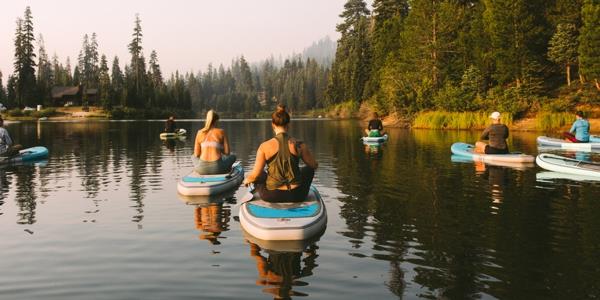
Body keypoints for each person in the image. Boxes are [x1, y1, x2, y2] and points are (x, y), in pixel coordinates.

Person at [243, 104, 318, 203]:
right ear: (288, 125)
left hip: (272, 196)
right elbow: (314, 165)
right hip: (296, 195)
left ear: (273, 125)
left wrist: (247, 179)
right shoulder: (300, 145)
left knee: (260, 173)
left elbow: (255, 175)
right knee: (309, 169)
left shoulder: (264, 146)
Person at [193, 110, 236, 175]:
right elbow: (227, 152)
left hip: (202, 169)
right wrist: (219, 148)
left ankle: (197, 168)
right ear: (216, 121)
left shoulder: (199, 132)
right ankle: (226, 169)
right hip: (217, 168)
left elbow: (196, 154)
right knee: (233, 156)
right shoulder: (221, 132)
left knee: (192, 156)